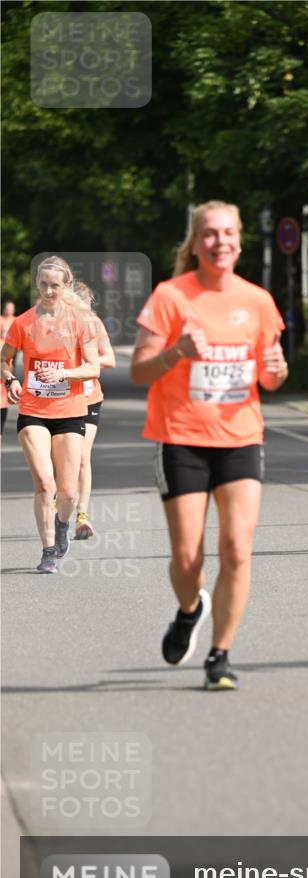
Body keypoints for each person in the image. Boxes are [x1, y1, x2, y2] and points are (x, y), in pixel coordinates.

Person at [130, 200, 288, 691]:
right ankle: (188, 610)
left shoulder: (258, 301)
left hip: (241, 437)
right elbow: (139, 371)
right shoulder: (170, 296)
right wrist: (177, 352)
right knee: (187, 560)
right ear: (196, 244)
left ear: (240, 241)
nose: (220, 242)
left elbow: (270, 375)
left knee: (237, 548)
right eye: (210, 234)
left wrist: (277, 372)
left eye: (228, 233)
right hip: (181, 438)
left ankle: (220, 655)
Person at [0, 258, 100, 572]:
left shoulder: (80, 322)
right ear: (37, 283)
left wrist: (64, 374)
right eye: (43, 284)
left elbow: (93, 367)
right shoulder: (23, 323)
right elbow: (4, 360)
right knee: (45, 484)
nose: (48, 290)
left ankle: (62, 524)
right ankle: (47, 551)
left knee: (67, 492)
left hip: (70, 412)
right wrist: (11, 380)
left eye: (55, 285)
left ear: (65, 285)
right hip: (33, 411)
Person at [71, 281, 116, 540]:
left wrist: (87, 361)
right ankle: (60, 495)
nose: (86, 311)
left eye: (88, 306)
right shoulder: (58, 326)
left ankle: (82, 515)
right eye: (81, 306)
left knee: (82, 456)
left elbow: (110, 359)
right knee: (64, 457)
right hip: (63, 401)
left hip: (89, 398)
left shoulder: (95, 325)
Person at [1, 298, 16, 437]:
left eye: (12, 308)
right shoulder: (1, 320)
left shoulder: (16, 320)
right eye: (8, 308)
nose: (10, 310)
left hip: (11, 349)